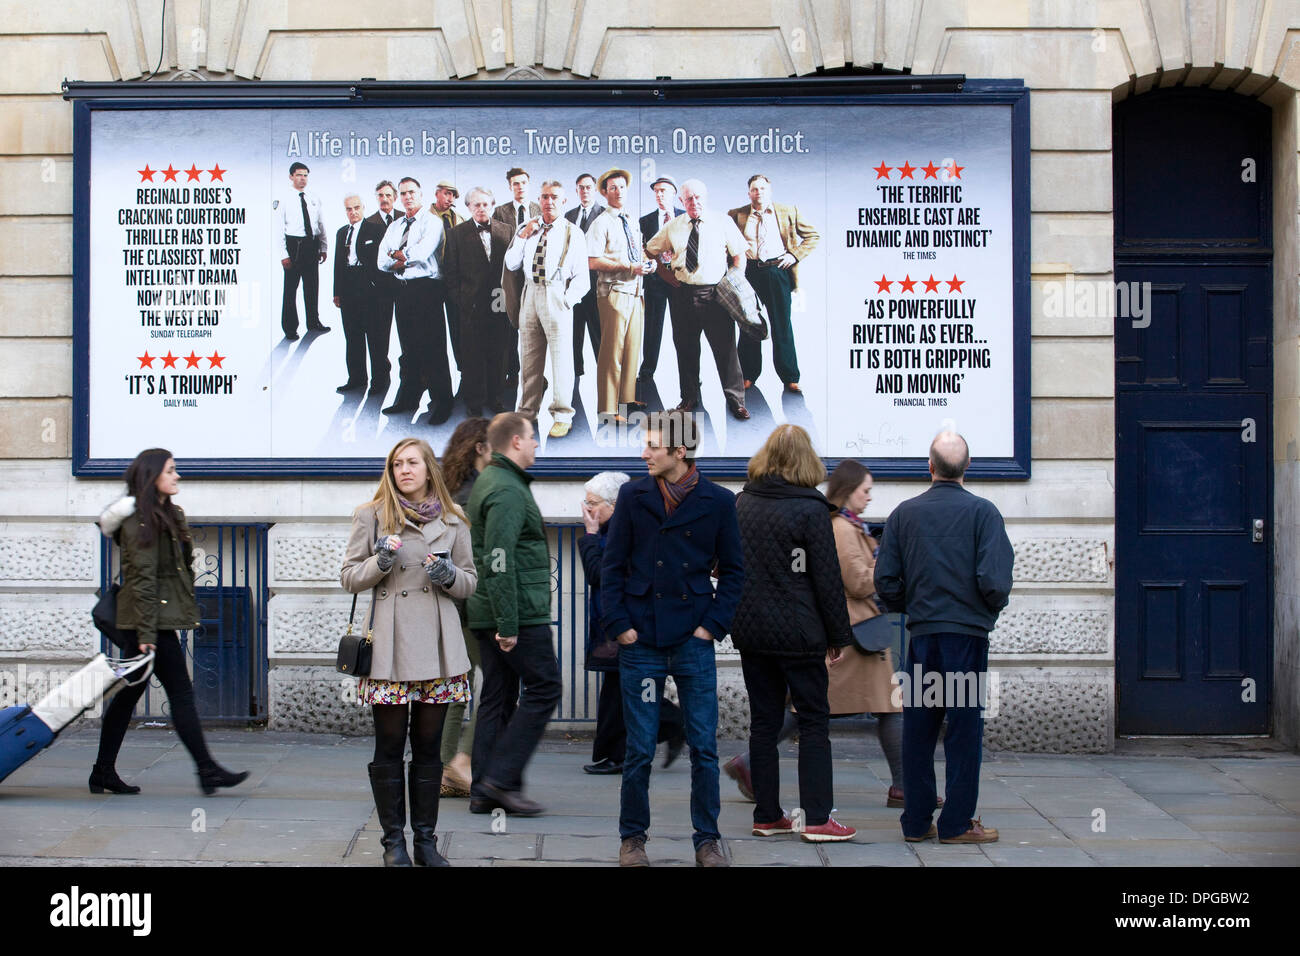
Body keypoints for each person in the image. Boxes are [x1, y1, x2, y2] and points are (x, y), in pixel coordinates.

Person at [601, 410, 745, 867]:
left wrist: (711, 627)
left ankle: (707, 840)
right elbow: (612, 566)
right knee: (640, 747)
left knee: (704, 746)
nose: (643, 453)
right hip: (640, 637)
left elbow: (737, 572)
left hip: (692, 638)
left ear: (679, 452)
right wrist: (619, 625)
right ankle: (633, 839)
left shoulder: (720, 501)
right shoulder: (632, 495)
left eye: (652, 446)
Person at [341, 438, 478, 866]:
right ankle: (392, 844)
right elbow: (349, 577)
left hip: (438, 646)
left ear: (428, 469)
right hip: (389, 644)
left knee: (428, 746)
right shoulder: (371, 515)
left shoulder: (454, 519)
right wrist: (380, 561)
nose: (404, 470)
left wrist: (448, 573)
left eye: (412, 463)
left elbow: (470, 581)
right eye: (397, 463)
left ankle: (425, 842)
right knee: (389, 744)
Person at [874, 431, 1014, 845]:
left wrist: (910, 607)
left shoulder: (903, 514)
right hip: (966, 639)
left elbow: (885, 579)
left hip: (922, 638)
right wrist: (985, 613)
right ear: (967, 467)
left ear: (930, 466)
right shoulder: (984, 514)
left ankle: (917, 823)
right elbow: (995, 581)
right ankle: (955, 823)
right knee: (963, 730)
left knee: (919, 729)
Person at [92, 449, 248, 797]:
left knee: (129, 695)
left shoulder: (167, 514)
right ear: (152, 477)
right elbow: (142, 579)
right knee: (181, 693)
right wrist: (147, 632)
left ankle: (102, 771)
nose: (177, 476)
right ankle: (207, 770)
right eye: (171, 470)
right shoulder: (141, 521)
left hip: (153, 619)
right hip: (148, 623)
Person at [730, 425, 856, 842]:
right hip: (801, 633)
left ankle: (767, 815)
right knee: (814, 721)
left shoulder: (742, 504)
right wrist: (839, 635)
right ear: (807, 460)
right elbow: (826, 578)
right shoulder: (810, 510)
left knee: (763, 724)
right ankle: (818, 818)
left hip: (752, 632)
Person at [464, 413, 564, 815]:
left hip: (496, 609)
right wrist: (509, 624)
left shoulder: (497, 481)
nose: (537, 444)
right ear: (516, 441)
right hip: (518, 612)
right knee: (545, 688)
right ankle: (500, 779)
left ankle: (482, 789)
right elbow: (499, 559)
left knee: (498, 695)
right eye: (533, 437)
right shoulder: (505, 489)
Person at [578, 471, 685, 775]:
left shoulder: (621, 532)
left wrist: (589, 535)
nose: (587, 509)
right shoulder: (614, 529)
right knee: (619, 688)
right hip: (613, 622)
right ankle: (617, 752)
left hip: (626, 623)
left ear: (613, 504)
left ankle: (669, 726)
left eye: (593, 503)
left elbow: (598, 574)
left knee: (627, 688)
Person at [823, 459, 915, 809]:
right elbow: (859, 581)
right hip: (856, 631)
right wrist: (884, 564)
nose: (869, 497)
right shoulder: (843, 529)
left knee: (888, 707)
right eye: (865, 491)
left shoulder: (849, 525)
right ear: (848, 492)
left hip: (857, 629)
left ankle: (903, 786)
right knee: (888, 707)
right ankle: (904, 787)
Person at [645, 178, 750, 420]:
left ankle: (736, 401)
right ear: (681, 201)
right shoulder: (673, 225)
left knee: (726, 351)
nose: (694, 202)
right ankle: (689, 398)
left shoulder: (722, 222)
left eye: (698, 197)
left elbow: (739, 255)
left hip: (716, 295)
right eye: (689, 198)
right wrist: (666, 275)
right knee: (686, 349)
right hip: (682, 294)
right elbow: (650, 250)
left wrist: (734, 282)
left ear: (706, 197)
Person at [503, 180, 589, 439]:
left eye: (554, 197)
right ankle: (527, 411)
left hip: (556, 293)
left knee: (562, 359)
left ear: (563, 202)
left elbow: (582, 278)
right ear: (538, 200)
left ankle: (563, 414)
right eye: (544, 197)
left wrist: (567, 299)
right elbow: (511, 263)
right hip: (530, 292)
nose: (548, 201)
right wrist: (523, 235)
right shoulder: (527, 228)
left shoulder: (573, 232)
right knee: (528, 357)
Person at [436, 418, 493, 796]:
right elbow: (481, 558)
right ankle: (462, 763)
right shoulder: (478, 494)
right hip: (473, 603)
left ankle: (442, 771)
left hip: (446, 601)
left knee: (457, 686)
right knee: (498, 683)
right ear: (478, 448)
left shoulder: (445, 488)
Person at [727, 174, 820, 392]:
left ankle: (790, 377)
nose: (758, 192)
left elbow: (812, 236)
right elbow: (726, 242)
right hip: (749, 273)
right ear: (749, 193)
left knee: (782, 325)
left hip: (778, 271)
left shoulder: (788, 211)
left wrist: (794, 255)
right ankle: (748, 375)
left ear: (770, 190)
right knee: (749, 325)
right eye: (754, 189)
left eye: (762, 188)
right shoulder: (736, 215)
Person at [377, 176, 453, 424]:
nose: (407, 197)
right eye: (403, 193)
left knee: (433, 348)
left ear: (421, 195)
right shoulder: (395, 226)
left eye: (412, 192)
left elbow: (422, 253)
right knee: (408, 349)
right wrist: (400, 259)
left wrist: (399, 257)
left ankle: (442, 402)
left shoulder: (432, 222)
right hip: (403, 289)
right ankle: (408, 398)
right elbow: (381, 261)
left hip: (427, 289)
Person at [586, 167, 655, 421]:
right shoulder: (600, 223)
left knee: (632, 348)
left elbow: (637, 254)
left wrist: (648, 263)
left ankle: (626, 399)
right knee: (611, 353)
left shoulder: (630, 219)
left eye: (622, 187)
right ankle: (607, 409)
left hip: (636, 291)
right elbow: (592, 261)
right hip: (613, 292)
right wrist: (628, 267)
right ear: (604, 193)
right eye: (613, 188)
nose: (619, 192)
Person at [441, 187, 514, 417]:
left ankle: (495, 398)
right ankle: (474, 402)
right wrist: (462, 300)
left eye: (485, 204)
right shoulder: (456, 234)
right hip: (470, 307)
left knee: (499, 354)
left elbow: (513, 270)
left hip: (499, 304)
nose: (481, 208)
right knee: (472, 356)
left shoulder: (507, 230)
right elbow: (450, 273)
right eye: (476, 205)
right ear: (468, 207)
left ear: (492, 205)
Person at [332, 194, 386, 393]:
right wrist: (337, 292)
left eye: (356, 208)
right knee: (352, 335)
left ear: (363, 208)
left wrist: (378, 287)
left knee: (374, 335)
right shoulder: (341, 233)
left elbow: (382, 261)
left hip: (369, 287)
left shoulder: (376, 229)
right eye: (349, 209)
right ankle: (356, 378)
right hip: (347, 287)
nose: (353, 212)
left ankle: (379, 380)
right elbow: (337, 264)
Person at [637, 175, 684, 386]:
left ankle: (690, 372)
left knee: (684, 330)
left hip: (681, 281)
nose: (659, 194)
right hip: (655, 281)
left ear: (674, 193)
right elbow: (643, 250)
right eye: (656, 191)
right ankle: (647, 370)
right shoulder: (645, 221)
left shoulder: (685, 218)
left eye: (663, 190)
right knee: (652, 327)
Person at [275, 162, 330, 340]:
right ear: (291, 176)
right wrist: (284, 255)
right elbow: (277, 229)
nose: (303, 178)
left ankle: (313, 322)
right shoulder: (283, 198)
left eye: (305, 175)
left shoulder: (313, 197)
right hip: (294, 246)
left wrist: (323, 246)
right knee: (291, 289)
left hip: (311, 245)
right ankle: (290, 328)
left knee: (312, 286)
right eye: (299, 175)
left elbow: (320, 225)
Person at [565, 172, 605, 377]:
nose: (585, 191)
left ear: (595, 189)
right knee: (574, 331)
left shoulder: (605, 214)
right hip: (572, 283)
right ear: (576, 190)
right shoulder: (569, 216)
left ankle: (603, 373)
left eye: (588, 187)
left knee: (598, 331)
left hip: (596, 284)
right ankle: (575, 370)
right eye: (581, 187)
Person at [365, 180, 401, 391]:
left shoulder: (405, 218)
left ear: (395, 198)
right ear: (376, 197)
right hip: (380, 288)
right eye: (380, 195)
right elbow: (367, 258)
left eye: (388, 195)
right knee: (379, 335)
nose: (384, 199)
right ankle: (379, 376)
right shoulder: (369, 223)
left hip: (405, 285)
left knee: (410, 333)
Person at [431, 180, 465, 382]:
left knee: (458, 325)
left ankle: (463, 368)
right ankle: (434, 374)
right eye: (447, 193)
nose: (450, 198)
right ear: (437, 194)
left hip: (455, 280)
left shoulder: (459, 218)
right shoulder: (425, 218)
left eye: (453, 195)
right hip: (433, 281)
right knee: (434, 329)